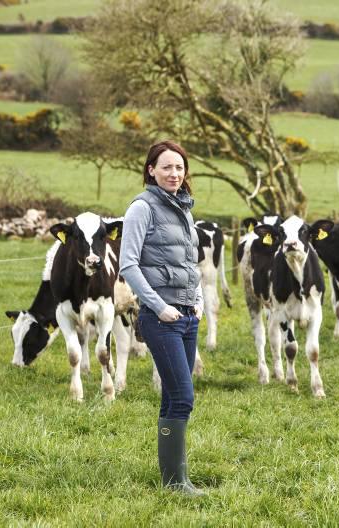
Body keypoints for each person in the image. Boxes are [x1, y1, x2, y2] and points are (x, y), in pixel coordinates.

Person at [120, 140, 205, 496]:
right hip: (162, 317)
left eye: (179, 167)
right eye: (167, 167)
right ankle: (175, 481)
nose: (174, 173)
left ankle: (175, 480)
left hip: (187, 314)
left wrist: (197, 298)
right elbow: (128, 264)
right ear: (151, 170)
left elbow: (189, 262)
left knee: (172, 396)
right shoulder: (142, 208)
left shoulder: (184, 208)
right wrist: (158, 306)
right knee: (183, 397)